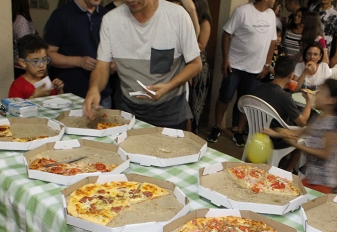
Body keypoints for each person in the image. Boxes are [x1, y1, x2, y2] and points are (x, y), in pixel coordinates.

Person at [82, 0, 202, 130]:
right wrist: (94, 88)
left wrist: (168, 86)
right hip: (129, 111)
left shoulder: (177, 15)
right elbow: (101, 67)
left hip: (170, 111)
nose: (130, 1)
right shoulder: (111, 20)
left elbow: (196, 64)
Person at [207, 0, 277, 146]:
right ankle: (217, 126)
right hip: (235, 65)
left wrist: (266, 64)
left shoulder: (271, 15)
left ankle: (239, 131)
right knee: (225, 97)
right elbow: (226, 34)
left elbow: (272, 41)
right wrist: (225, 59)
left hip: (256, 68)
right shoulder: (242, 11)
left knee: (247, 102)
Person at [264, 78, 337, 193]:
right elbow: (302, 132)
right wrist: (275, 133)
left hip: (323, 183)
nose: (316, 94)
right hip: (312, 177)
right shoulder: (319, 117)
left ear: (332, 100)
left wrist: (298, 146)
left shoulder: (332, 123)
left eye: (321, 92)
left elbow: (326, 154)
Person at [44, 0, 112, 105]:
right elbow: (48, 55)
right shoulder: (61, 15)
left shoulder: (107, 16)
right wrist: (79, 61)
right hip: (70, 96)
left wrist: (113, 64)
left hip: (102, 96)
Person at [254, 56, 313, 170]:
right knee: (301, 142)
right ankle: (289, 171)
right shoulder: (285, 97)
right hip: (275, 139)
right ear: (291, 76)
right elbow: (302, 122)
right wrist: (309, 101)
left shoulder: (259, 87)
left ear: (274, 71)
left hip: (256, 132)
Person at [9, 35, 64, 99]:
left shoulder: (46, 82)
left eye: (44, 60)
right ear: (23, 63)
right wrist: (35, 96)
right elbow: (13, 108)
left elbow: (57, 103)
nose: (41, 65)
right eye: (35, 61)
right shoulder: (18, 86)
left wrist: (59, 90)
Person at [189, 0, 212, 134]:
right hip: (187, 65)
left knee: (195, 106)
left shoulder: (204, 23)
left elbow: (201, 46)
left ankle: (193, 132)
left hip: (199, 69)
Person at [310, 0, 337, 68]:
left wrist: (336, 55)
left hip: (324, 49)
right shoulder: (313, 7)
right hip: (309, 44)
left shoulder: (336, 14)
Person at [12, 0, 37, 79]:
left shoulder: (15, 18)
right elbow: (26, 45)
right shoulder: (21, 21)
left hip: (18, 65)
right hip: (23, 67)